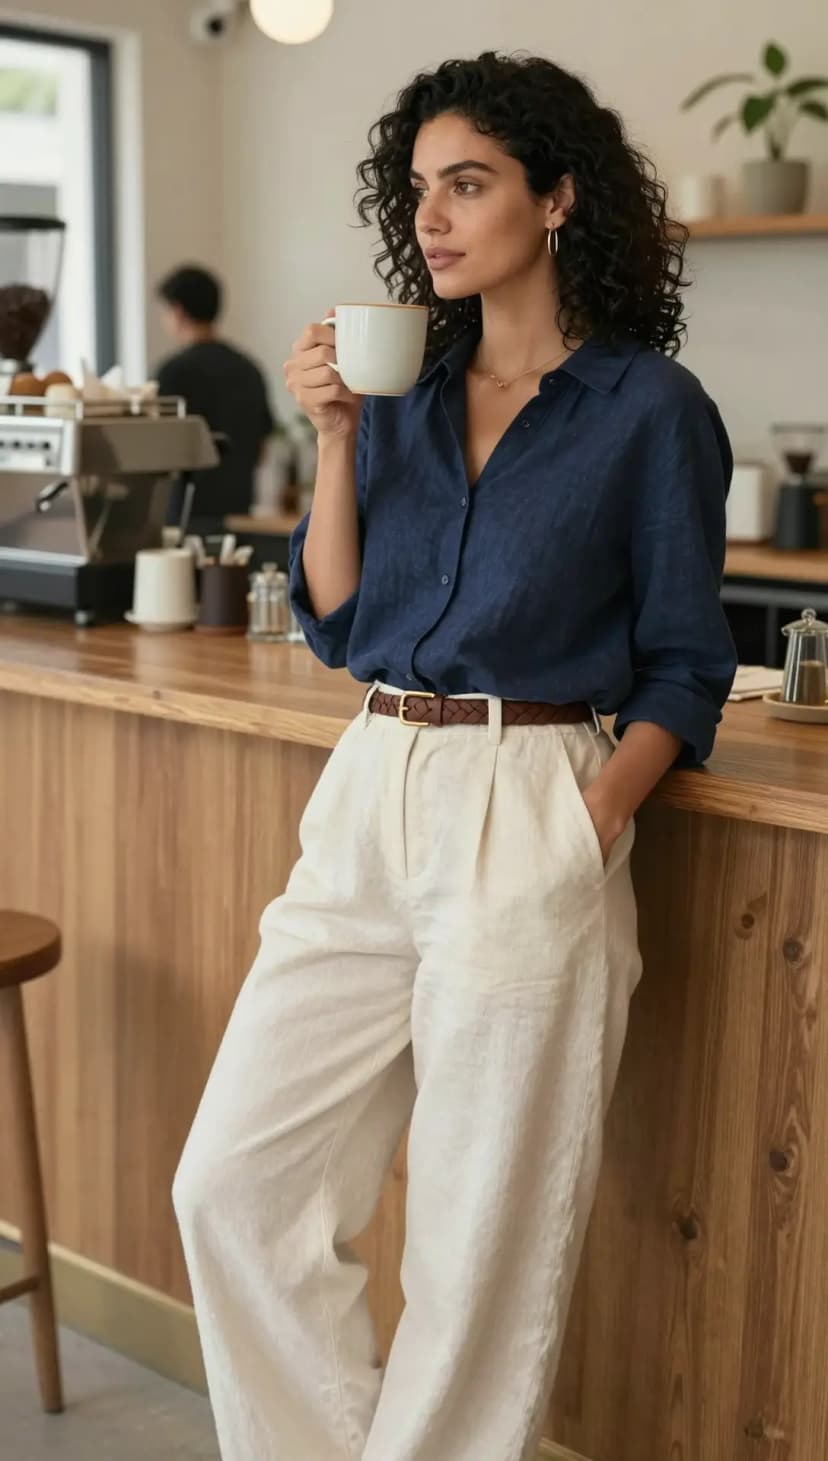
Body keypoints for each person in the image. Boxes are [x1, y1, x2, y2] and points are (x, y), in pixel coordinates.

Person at [173, 51, 738, 1461]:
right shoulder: (405, 394)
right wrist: (334, 438)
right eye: (419, 189)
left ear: (555, 199)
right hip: (371, 785)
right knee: (235, 1184)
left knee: (481, 1240)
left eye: (468, 183)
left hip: (531, 794)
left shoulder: (650, 411)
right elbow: (342, 619)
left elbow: (686, 659)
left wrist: (588, 823)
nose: (431, 216)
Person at [155, 264, 275, 536]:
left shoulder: (173, 372)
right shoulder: (249, 368)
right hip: (239, 518)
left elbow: (158, 452)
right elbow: (262, 449)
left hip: (184, 520)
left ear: (178, 311)